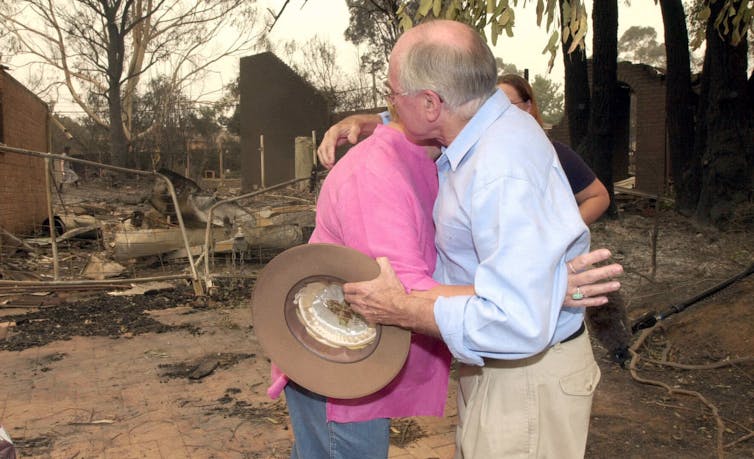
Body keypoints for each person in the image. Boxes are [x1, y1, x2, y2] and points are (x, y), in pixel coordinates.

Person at [336, 20, 607, 458]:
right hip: (502, 369)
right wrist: (376, 121)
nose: (389, 104)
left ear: (430, 102)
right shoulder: (484, 128)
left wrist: (403, 309)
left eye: (392, 94)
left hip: (524, 380)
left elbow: (515, 319)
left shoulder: (499, 170)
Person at [497, 73, 610, 224]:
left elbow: (598, 197)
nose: (499, 113)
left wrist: (565, 232)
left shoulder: (555, 154)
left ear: (528, 107)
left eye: (508, 105)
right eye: (494, 107)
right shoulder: (483, 157)